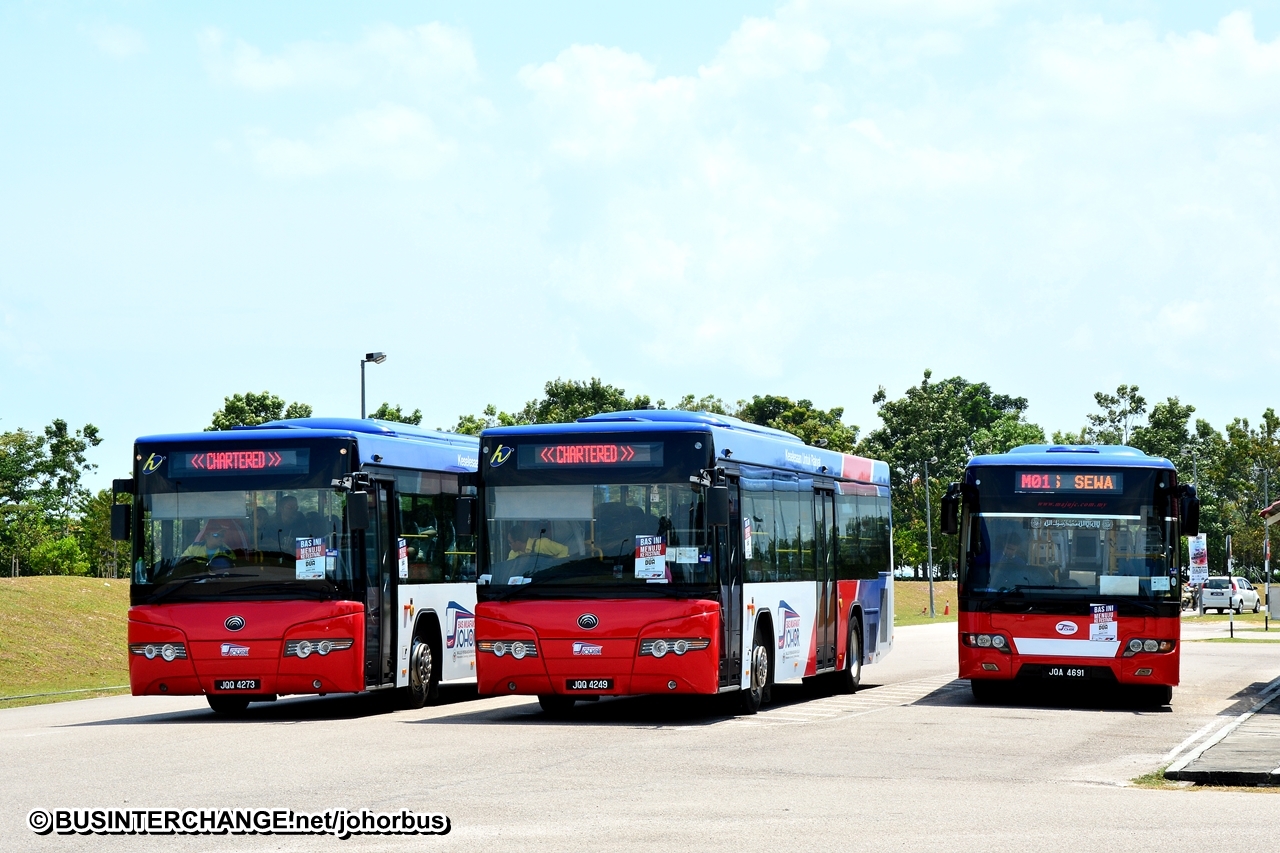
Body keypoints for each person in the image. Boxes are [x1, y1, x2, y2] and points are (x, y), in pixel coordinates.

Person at [987, 532, 1056, 589]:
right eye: (1008, 548)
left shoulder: (1020, 562)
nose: (1009, 552)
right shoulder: (991, 557)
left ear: (1018, 548)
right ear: (1003, 544)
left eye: (1012, 549)